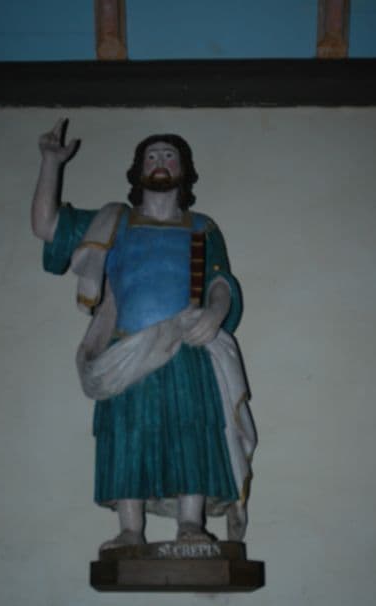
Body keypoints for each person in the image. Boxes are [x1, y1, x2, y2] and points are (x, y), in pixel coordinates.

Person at [31, 119, 256, 549]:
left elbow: (219, 279)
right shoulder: (115, 223)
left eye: (169, 156)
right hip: (126, 348)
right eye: (151, 156)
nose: (160, 162)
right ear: (138, 170)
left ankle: (190, 525)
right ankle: (130, 530)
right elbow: (46, 226)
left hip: (186, 346)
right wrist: (50, 164)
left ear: (184, 170)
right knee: (127, 434)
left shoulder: (201, 227)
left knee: (192, 430)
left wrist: (216, 311)